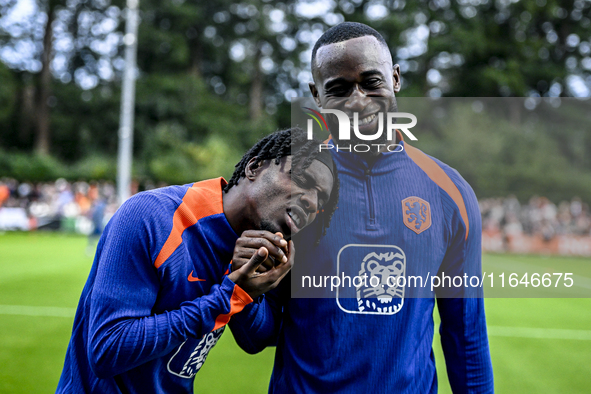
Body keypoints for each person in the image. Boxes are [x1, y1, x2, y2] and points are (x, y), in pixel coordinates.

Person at [230, 22, 494, 393]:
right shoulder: (292, 191)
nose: (358, 100)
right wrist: (245, 293)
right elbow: (259, 336)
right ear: (316, 96)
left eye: (371, 81)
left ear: (396, 78)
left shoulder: (451, 193)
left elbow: (466, 335)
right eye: (338, 89)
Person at [56, 127, 339, 394]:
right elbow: (109, 350)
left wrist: (250, 295)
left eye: (320, 200)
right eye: (302, 179)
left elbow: (255, 339)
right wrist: (228, 297)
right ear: (254, 167)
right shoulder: (153, 217)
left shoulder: (265, 247)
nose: (311, 202)